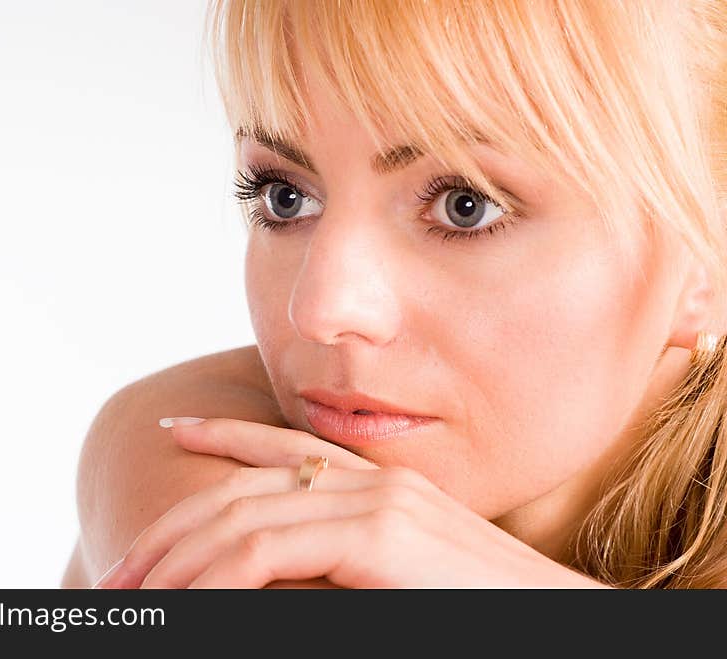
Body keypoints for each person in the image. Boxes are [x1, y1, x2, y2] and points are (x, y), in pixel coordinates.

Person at [62, 0, 727, 589]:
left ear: (707, 261)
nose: (321, 310)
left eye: (465, 205)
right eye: (284, 196)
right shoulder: (197, 449)